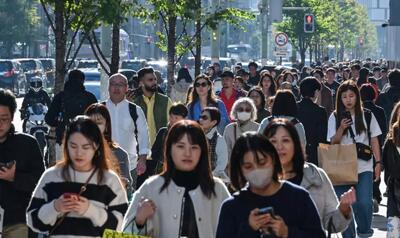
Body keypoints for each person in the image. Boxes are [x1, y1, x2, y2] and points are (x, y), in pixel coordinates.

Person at [122, 120, 231, 238]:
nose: (187, 153)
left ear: (202, 151)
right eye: (180, 146)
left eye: (194, 147)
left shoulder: (217, 189)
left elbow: (234, 229)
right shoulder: (151, 187)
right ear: (169, 149)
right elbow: (124, 233)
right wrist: (139, 221)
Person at [26, 116, 128, 237]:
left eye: (86, 147)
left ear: (96, 146)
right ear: (65, 145)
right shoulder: (51, 176)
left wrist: (89, 210)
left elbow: (121, 226)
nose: (79, 153)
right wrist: (55, 207)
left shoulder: (109, 180)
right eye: (73, 146)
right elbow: (32, 221)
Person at [216, 132, 326, 238]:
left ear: (273, 158)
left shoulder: (298, 197)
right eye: (248, 166)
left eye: (262, 162)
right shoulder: (231, 207)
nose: (257, 170)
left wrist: (287, 232)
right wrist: (248, 229)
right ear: (240, 169)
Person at [263, 118, 355, 234]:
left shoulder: (316, 176)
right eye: (273, 141)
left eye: (285, 140)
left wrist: (343, 209)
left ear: (296, 145)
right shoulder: (259, 181)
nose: (279, 147)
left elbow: (331, 224)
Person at [328, 80, 382, 238]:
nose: (348, 100)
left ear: (357, 97)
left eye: (351, 96)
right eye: (344, 97)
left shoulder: (366, 114)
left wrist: (378, 163)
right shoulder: (335, 116)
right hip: (341, 167)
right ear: (340, 98)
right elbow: (332, 142)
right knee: (345, 205)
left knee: (364, 202)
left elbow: (374, 140)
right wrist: (341, 129)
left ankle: (364, 232)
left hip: (363, 166)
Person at [0, 89, 45, 238]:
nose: (0, 124)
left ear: (12, 117)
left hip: (18, 220)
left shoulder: (27, 144)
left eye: (4, 118)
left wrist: (14, 177)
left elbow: (42, 185)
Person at [105, 73, 150, 191]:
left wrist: (143, 159)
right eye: (113, 84)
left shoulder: (135, 110)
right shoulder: (100, 109)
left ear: (126, 88)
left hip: (130, 167)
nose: (116, 88)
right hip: (103, 165)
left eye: (120, 85)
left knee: (127, 201)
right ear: (108, 87)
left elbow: (143, 135)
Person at [45, 69, 98, 162]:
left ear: (68, 80)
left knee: (63, 173)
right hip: (86, 142)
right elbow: (96, 121)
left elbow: (49, 119)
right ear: (83, 81)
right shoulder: (90, 97)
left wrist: (59, 123)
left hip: (63, 141)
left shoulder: (60, 97)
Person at [84, 103, 133, 194]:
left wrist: (124, 183)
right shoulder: (76, 152)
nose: (94, 126)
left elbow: (128, 190)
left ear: (106, 125)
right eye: (91, 123)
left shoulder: (120, 154)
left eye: (99, 123)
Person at [360, 83, 387, 212]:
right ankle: (375, 196)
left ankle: (366, 197)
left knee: (363, 173)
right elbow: (384, 130)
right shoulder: (380, 110)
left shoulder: (359, 111)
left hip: (361, 147)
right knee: (375, 171)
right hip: (376, 144)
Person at [133, 67, 173, 146]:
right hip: (139, 152)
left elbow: (172, 125)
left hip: (160, 151)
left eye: (155, 79)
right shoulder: (134, 102)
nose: (154, 82)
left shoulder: (165, 101)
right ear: (141, 83)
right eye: (150, 80)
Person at [296, 77, 328, 166]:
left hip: (295, 151)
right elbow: (322, 137)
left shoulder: (293, 107)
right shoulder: (320, 111)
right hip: (313, 154)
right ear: (316, 92)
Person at [151, 103, 188, 175]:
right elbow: (154, 152)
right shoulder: (163, 132)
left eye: (176, 118)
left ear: (184, 118)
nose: (173, 120)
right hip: (162, 170)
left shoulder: (188, 134)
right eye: (171, 117)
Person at [198, 107, 229, 181]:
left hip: (213, 181)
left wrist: (210, 176)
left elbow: (221, 164)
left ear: (214, 122)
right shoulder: (195, 136)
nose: (200, 120)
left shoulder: (219, 140)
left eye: (204, 118)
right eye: (200, 117)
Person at [382, 113, 400, 237]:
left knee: (393, 230)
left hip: (395, 190)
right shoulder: (390, 142)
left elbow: (388, 167)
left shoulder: (390, 141)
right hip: (395, 190)